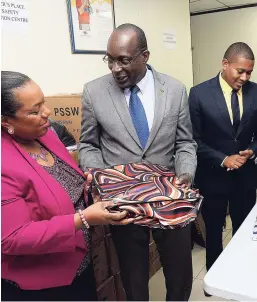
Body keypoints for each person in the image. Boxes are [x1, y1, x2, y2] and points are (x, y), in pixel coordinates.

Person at [79, 23, 197, 301]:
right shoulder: (94, 92)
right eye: (110, 59)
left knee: (179, 274)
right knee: (133, 277)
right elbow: (88, 144)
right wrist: (99, 177)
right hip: (124, 202)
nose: (115, 68)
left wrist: (186, 171)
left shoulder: (175, 90)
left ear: (144, 56)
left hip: (169, 198)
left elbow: (185, 143)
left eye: (124, 60)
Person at [1, 71, 134, 301]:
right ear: (5, 121)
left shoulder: (47, 134)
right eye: (34, 111)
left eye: (43, 103)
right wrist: (82, 219)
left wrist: (87, 185)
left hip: (78, 263)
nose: (46, 113)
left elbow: (61, 186)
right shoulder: (4, 163)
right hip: (42, 282)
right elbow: (12, 237)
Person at [188, 43, 257, 279]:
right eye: (241, 71)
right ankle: (214, 277)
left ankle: (241, 276)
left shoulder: (255, 92)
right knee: (214, 231)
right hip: (212, 177)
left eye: (249, 72)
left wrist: (252, 151)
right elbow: (193, 140)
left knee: (244, 231)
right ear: (225, 64)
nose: (245, 77)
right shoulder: (199, 94)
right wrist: (223, 159)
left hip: (245, 177)